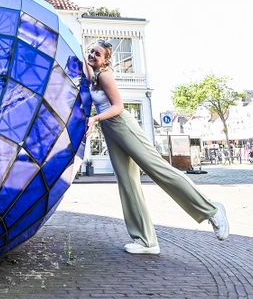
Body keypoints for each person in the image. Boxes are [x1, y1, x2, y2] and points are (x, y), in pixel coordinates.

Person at [86, 41, 229, 254]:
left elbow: (118, 106)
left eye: (97, 54)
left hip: (121, 125)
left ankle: (212, 209)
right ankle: (146, 241)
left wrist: (95, 118)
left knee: (158, 169)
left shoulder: (105, 76)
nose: (92, 55)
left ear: (106, 60)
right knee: (127, 182)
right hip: (109, 129)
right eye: (91, 51)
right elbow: (84, 65)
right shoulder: (95, 75)